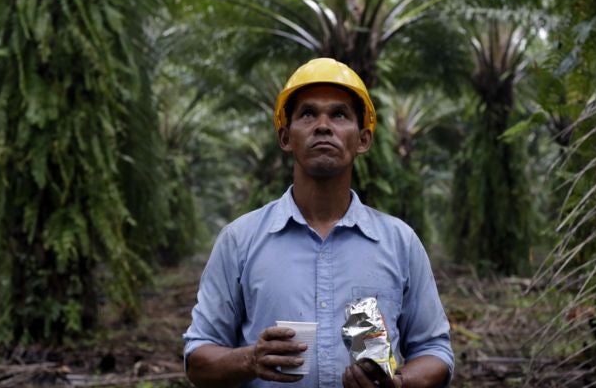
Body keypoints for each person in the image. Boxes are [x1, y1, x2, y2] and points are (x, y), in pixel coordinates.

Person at [183, 58, 454, 387]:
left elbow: (435, 350)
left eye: (339, 115)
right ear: (285, 137)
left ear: (363, 139)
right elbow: (197, 359)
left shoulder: (399, 242)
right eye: (308, 114)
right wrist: (250, 359)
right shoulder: (240, 240)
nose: (323, 126)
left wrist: (398, 384)